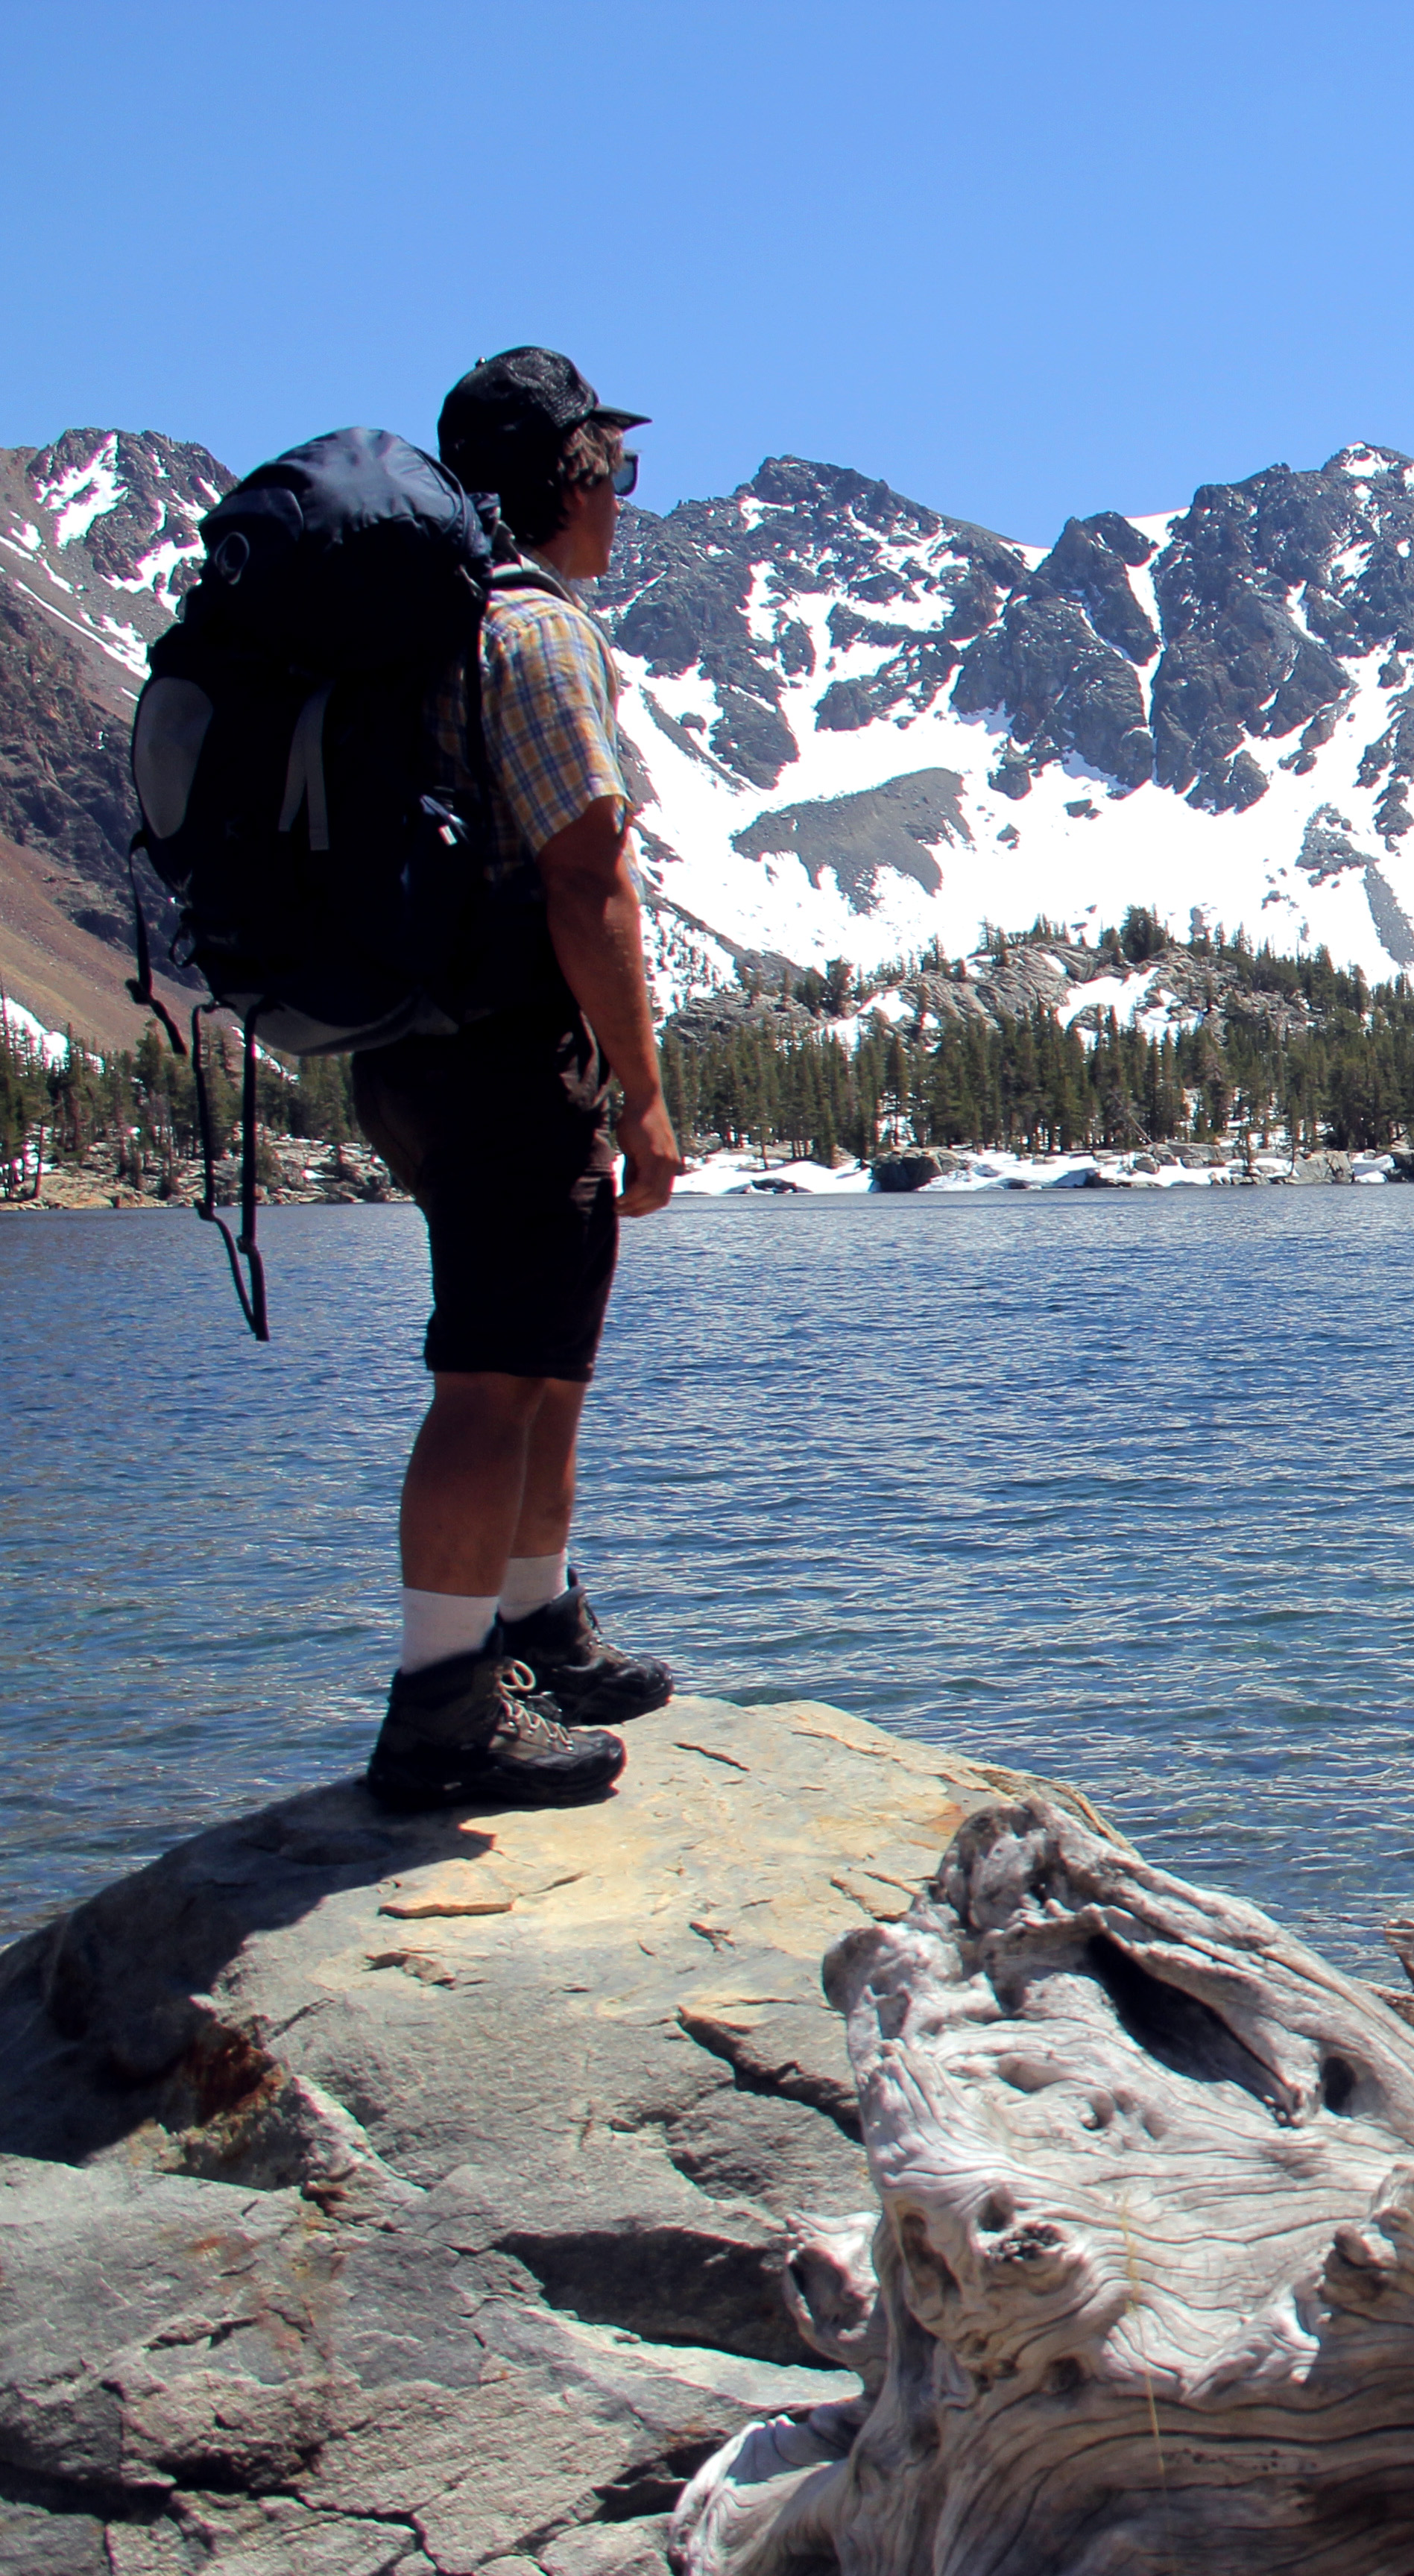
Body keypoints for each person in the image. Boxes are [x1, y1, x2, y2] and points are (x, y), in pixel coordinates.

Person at [352, 349, 689, 1811]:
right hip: (504, 1061)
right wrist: (644, 1092)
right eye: (609, 470)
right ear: (561, 479)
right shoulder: (535, 639)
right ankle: (440, 1703)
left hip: (428, 1057)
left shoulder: (438, 632)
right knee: (491, 1380)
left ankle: (532, 1625)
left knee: (542, 1358)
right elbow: (584, 874)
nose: (621, 499)